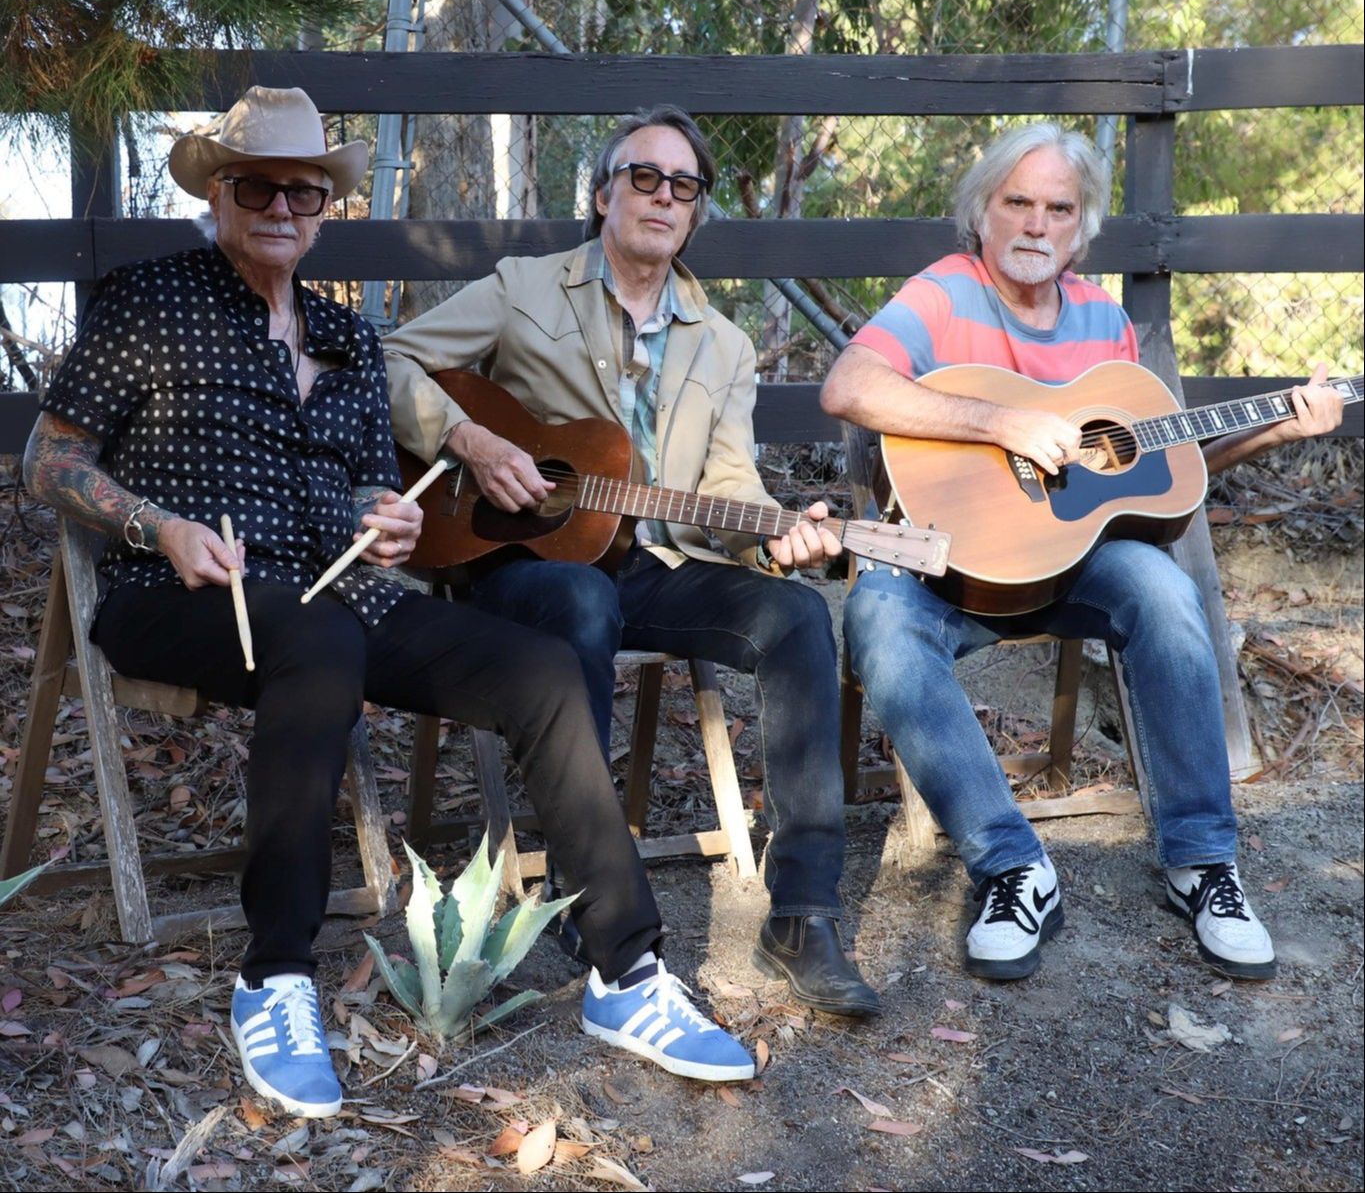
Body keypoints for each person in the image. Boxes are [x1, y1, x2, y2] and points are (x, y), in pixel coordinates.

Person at [23, 87, 756, 1119]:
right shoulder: (149, 304)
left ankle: (625, 975)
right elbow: (47, 460)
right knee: (316, 637)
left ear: (326, 206)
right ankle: (275, 976)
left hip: (343, 595)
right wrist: (160, 528)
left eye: (304, 190)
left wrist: (388, 519)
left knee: (543, 667)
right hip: (183, 589)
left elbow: (372, 481)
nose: (283, 205)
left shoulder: (348, 335)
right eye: (258, 185)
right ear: (219, 194)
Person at [383, 104, 880, 1019]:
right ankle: (590, 890)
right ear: (603, 192)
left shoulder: (724, 344)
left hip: (658, 555)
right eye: (643, 178)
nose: (662, 196)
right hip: (517, 554)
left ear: (694, 214)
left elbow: (725, 481)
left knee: (800, 616)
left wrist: (775, 529)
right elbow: (395, 358)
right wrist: (471, 438)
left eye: (682, 185)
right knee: (579, 600)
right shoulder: (523, 286)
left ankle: (803, 912)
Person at [820, 121, 1344, 983]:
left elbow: (1154, 476)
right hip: (949, 568)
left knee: (1163, 590)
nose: (1035, 224)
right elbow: (850, 385)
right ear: (980, 212)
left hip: (1068, 566)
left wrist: (1276, 427)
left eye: (1056, 208)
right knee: (875, 615)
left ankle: (1202, 864)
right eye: (1015, 202)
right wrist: (1002, 421)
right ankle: (1011, 867)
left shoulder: (1102, 317)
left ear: (1082, 225)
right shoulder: (944, 293)